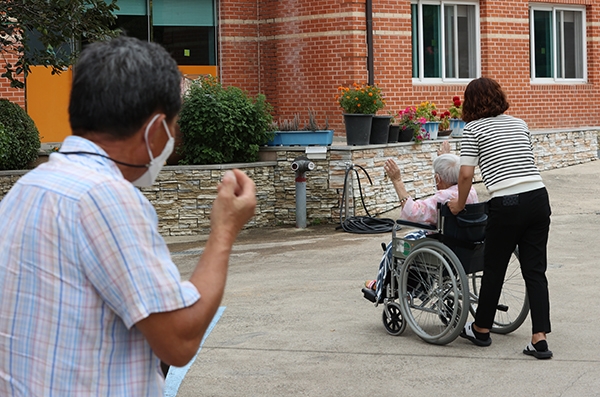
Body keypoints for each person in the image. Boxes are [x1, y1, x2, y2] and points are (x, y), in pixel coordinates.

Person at [0, 36, 257, 395]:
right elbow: (179, 341)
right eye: (172, 126)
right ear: (154, 130)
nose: (171, 141)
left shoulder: (25, 191)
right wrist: (224, 229)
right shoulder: (108, 199)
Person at [448, 77, 553, 359]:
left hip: (507, 203)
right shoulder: (519, 123)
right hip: (538, 198)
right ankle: (539, 339)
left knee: (494, 267)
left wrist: (458, 204)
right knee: (535, 270)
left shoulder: (473, 129)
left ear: (470, 103)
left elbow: (466, 174)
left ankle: (481, 329)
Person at [364, 142, 478, 297]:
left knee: (395, 246)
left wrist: (397, 180)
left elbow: (412, 213)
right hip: (466, 246)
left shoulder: (441, 198)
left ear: (438, 178)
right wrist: (445, 158)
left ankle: (381, 288)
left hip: (441, 248)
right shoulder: (470, 191)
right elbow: (455, 175)